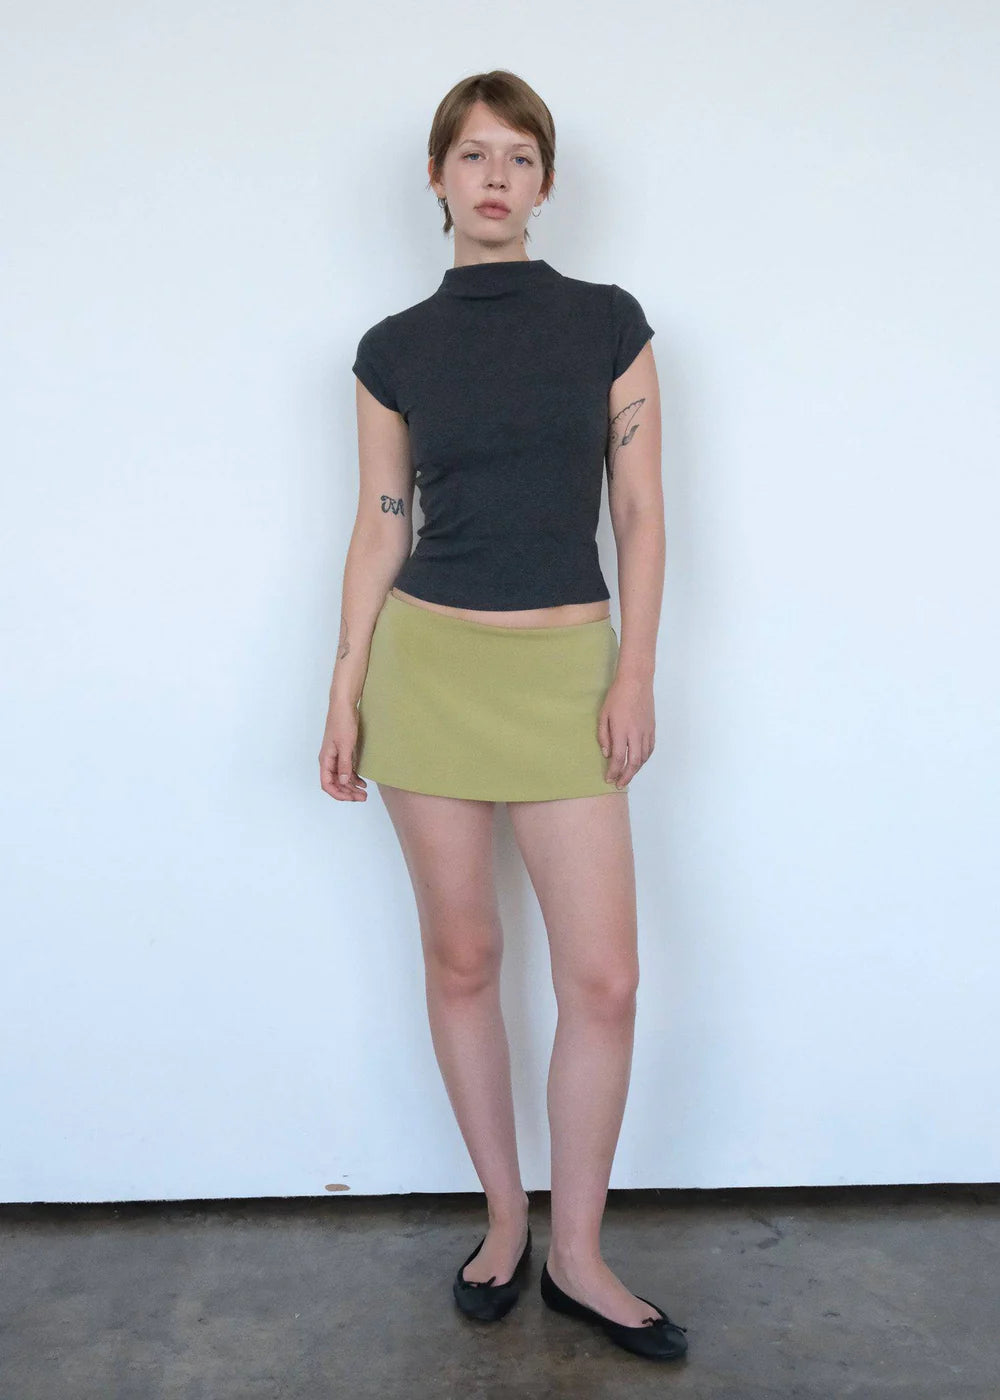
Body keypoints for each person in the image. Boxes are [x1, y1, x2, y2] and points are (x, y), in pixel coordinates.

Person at [319, 70, 687, 1363]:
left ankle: (579, 1254)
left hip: (566, 671)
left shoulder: (608, 324)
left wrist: (633, 672)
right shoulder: (392, 349)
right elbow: (380, 527)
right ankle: (503, 1221)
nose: (495, 177)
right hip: (427, 672)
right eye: (472, 155)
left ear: (546, 182)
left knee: (605, 979)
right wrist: (344, 684)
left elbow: (638, 513)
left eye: (519, 156)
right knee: (466, 959)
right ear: (437, 177)